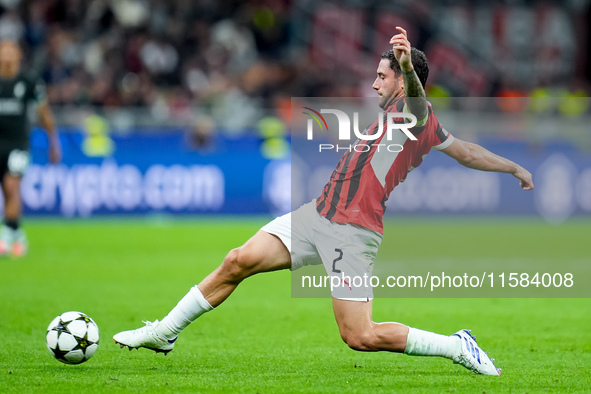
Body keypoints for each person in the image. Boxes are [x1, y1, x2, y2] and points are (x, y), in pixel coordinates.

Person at [114, 28, 533, 375]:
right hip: (317, 215)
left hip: (354, 233)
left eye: (382, 76)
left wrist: (406, 67)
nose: (373, 83)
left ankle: (456, 345)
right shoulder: (393, 116)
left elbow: (426, 109)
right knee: (237, 260)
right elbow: (468, 152)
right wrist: (514, 168)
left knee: (359, 336)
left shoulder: (418, 118)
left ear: (402, 80)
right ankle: (164, 330)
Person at [0, 40, 61, 257]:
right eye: (3, 52)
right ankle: (18, 235)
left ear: (18, 55)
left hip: (18, 144)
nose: (6, 56)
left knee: (11, 184)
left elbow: (43, 113)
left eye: (10, 51)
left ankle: (6, 235)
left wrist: (53, 143)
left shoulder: (29, 80)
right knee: (6, 191)